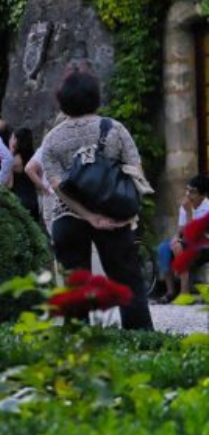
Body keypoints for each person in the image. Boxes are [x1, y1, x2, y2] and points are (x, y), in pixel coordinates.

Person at [26, 69, 153, 329]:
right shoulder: (114, 128)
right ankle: (142, 342)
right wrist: (127, 214)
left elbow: (57, 185)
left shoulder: (52, 139)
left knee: (76, 285)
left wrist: (87, 216)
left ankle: (79, 347)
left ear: (62, 101)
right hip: (114, 214)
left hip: (67, 217)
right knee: (127, 281)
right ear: (96, 98)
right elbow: (135, 171)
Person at [9, 127, 41, 223]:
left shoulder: (13, 161)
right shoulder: (34, 159)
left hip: (18, 199)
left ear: (16, 141)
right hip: (33, 199)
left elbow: (9, 184)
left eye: (12, 138)